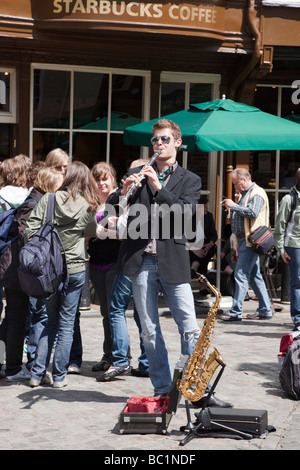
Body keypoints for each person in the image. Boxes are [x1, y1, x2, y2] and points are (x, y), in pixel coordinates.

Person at [106, 119, 231, 406]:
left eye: (164, 139)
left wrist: (157, 187)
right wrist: (124, 192)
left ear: (177, 142)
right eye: (154, 141)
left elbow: (186, 215)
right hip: (140, 260)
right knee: (149, 330)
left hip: (173, 260)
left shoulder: (190, 179)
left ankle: (197, 389)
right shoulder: (137, 173)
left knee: (189, 327)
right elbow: (112, 211)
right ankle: (163, 388)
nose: (158, 144)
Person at [25, 161, 100, 388]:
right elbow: (90, 233)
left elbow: (30, 230)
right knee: (67, 324)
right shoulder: (89, 205)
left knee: (50, 323)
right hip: (75, 269)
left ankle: (36, 374)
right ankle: (59, 377)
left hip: (48, 270)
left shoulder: (48, 199)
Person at [96, 159, 149, 382]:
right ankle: (144, 362)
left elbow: (112, 228)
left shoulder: (143, 195)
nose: (132, 176)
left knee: (120, 309)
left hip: (132, 259)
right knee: (139, 313)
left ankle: (120, 360)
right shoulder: (122, 195)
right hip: (131, 259)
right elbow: (106, 223)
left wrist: (118, 225)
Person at [220, 168, 273, 321]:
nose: (235, 187)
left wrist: (233, 206)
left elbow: (253, 213)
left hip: (251, 241)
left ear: (243, 180)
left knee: (241, 275)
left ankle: (235, 312)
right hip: (246, 240)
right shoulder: (248, 193)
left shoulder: (256, 193)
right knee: (254, 276)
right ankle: (265, 309)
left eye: (236, 184)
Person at [25, 167, 64, 372]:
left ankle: (36, 364)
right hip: (43, 269)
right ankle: (35, 364)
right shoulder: (42, 203)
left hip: (41, 268)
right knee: (41, 317)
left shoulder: (44, 201)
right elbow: (29, 233)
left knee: (42, 316)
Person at [86, 162, 120, 373]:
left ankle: (117, 356)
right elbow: (85, 235)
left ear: (112, 179)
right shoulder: (90, 204)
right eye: (97, 179)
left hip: (115, 263)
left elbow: (126, 235)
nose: (101, 183)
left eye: (105, 178)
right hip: (95, 263)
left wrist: (101, 231)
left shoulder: (119, 202)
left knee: (113, 312)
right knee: (105, 312)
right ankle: (109, 355)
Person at [0, 157, 32, 381]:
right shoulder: (30, 198)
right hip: (18, 262)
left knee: (8, 314)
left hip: (2, 259)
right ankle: (12, 366)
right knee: (17, 314)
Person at [274, 168, 300, 328]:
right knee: (297, 282)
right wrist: (281, 249)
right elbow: (280, 226)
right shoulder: (289, 200)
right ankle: (298, 318)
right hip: (294, 245)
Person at [190, 196, 217, 296]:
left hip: (206, 246)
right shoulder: (189, 217)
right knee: (202, 256)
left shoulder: (209, 216)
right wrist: (194, 249)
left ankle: (193, 270)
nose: (207, 209)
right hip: (191, 246)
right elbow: (182, 237)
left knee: (204, 252)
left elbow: (214, 234)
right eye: (205, 207)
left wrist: (210, 244)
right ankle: (203, 286)